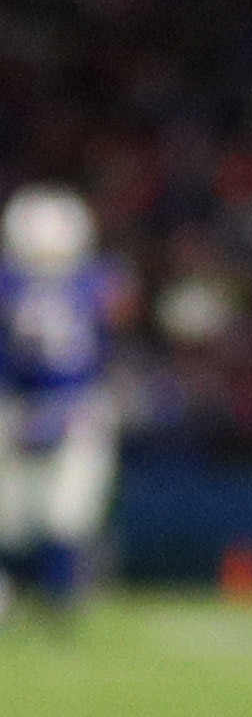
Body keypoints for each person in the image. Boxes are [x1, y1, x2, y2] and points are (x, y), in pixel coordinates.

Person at [0, 184, 125, 622]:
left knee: (61, 511)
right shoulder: (97, 279)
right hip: (38, 403)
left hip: (62, 404)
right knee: (20, 512)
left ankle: (53, 597)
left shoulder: (88, 280)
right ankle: (40, 595)